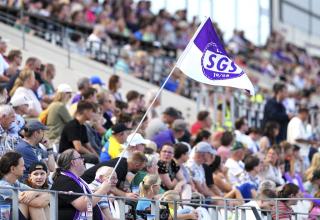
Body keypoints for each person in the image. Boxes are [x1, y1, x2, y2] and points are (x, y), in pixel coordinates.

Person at [51, 149, 112, 220]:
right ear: (73, 162)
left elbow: (93, 206)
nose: (83, 160)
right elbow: (84, 205)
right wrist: (103, 190)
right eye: (80, 158)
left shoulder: (76, 180)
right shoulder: (64, 180)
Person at [0, 152, 49, 220]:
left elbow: (45, 195)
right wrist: (41, 194)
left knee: (43, 203)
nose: (25, 168)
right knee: (33, 205)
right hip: (5, 217)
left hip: (14, 215)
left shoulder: (15, 182)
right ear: (13, 169)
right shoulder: (3, 186)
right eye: (22, 166)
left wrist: (36, 192)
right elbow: (38, 203)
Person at [82, 152, 147, 199]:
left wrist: (125, 188)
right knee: (112, 197)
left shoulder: (123, 162)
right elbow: (110, 187)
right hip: (86, 187)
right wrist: (126, 195)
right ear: (137, 165)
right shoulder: (119, 167)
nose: (140, 170)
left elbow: (121, 182)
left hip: (92, 188)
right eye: (142, 167)